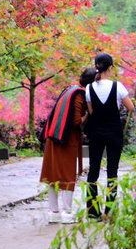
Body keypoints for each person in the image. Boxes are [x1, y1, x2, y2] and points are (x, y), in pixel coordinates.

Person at [40, 67, 96, 223]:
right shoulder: (80, 94)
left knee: (52, 175)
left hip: (52, 136)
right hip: (66, 139)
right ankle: (67, 213)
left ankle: (53, 212)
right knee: (67, 176)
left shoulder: (70, 89)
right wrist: (88, 115)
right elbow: (76, 121)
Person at [84, 53, 135, 219]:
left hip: (96, 133)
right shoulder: (118, 86)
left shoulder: (89, 88)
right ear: (111, 67)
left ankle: (92, 212)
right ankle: (109, 211)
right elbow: (131, 107)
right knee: (112, 171)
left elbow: (91, 111)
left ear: (97, 67)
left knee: (93, 170)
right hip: (114, 132)